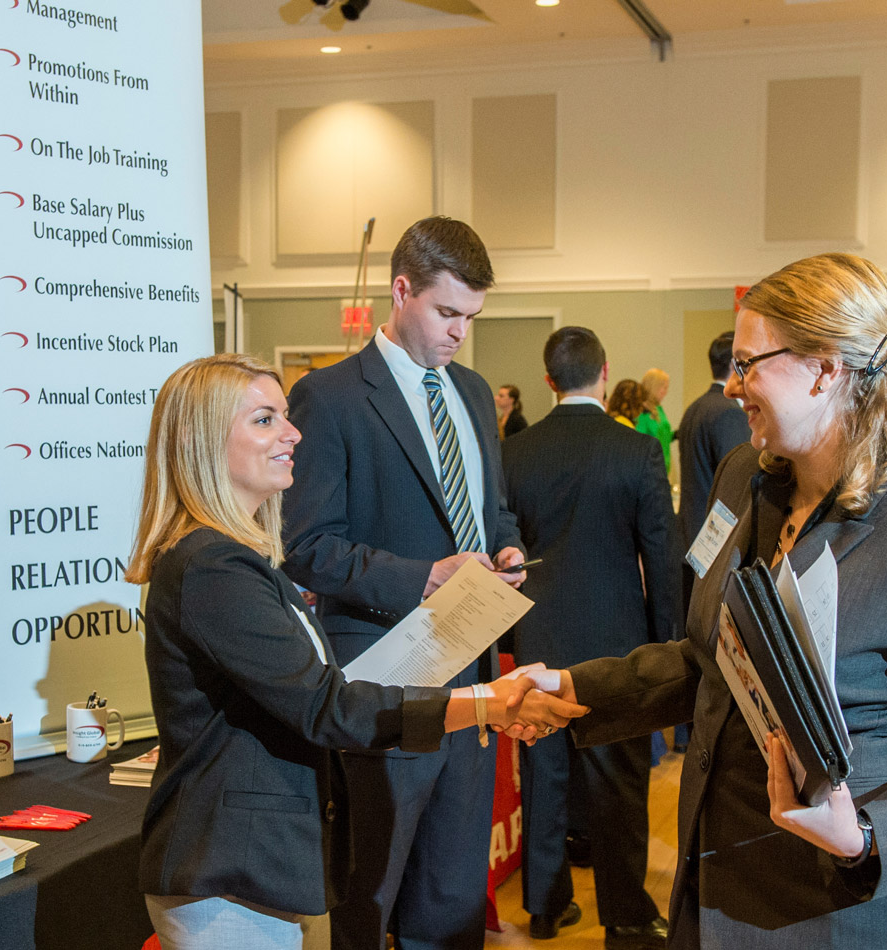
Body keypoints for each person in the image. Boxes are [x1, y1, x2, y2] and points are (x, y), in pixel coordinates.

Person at [507, 253, 887, 949]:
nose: (730, 386)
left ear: (828, 368)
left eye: (748, 363)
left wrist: (864, 837)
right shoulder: (746, 482)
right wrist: (577, 688)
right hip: (719, 893)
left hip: (854, 920)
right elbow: (716, 662)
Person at [137, 353, 578, 950]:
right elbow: (329, 707)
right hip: (229, 872)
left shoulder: (233, 559)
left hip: (253, 871)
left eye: (285, 417)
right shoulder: (213, 565)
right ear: (204, 441)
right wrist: (483, 702)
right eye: (265, 420)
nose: (292, 434)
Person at [280, 216, 531, 950]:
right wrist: (424, 576)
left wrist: (507, 550)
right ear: (401, 291)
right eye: (447, 312)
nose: (460, 333)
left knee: (453, 897)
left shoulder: (477, 394)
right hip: (385, 684)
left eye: (471, 318)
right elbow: (306, 548)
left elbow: (494, 513)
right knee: (372, 895)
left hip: (471, 680)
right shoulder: (328, 397)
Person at [501, 327, 673, 948]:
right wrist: (669, 648)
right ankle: (625, 913)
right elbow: (660, 555)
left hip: (539, 631)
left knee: (542, 772)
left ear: (549, 381)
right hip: (617, 639)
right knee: (619, 781)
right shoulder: (636, 452)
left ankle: (546, 908)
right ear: (605, 372)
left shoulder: (515, 452)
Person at [675, 331, 751, 555]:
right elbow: (739, 482)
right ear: (733, 364)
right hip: (714, 541)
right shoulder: (729, 412)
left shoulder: (695, 407)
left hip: (691, 532)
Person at [634, 368, 675, 474]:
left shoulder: (658, 409)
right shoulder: (642, 410)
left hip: (663, 468)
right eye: (664, 388)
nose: (666, 392)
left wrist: (676, 435)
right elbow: (639, 440)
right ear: (654, 386)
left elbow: (663, 436)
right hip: (649, 470)